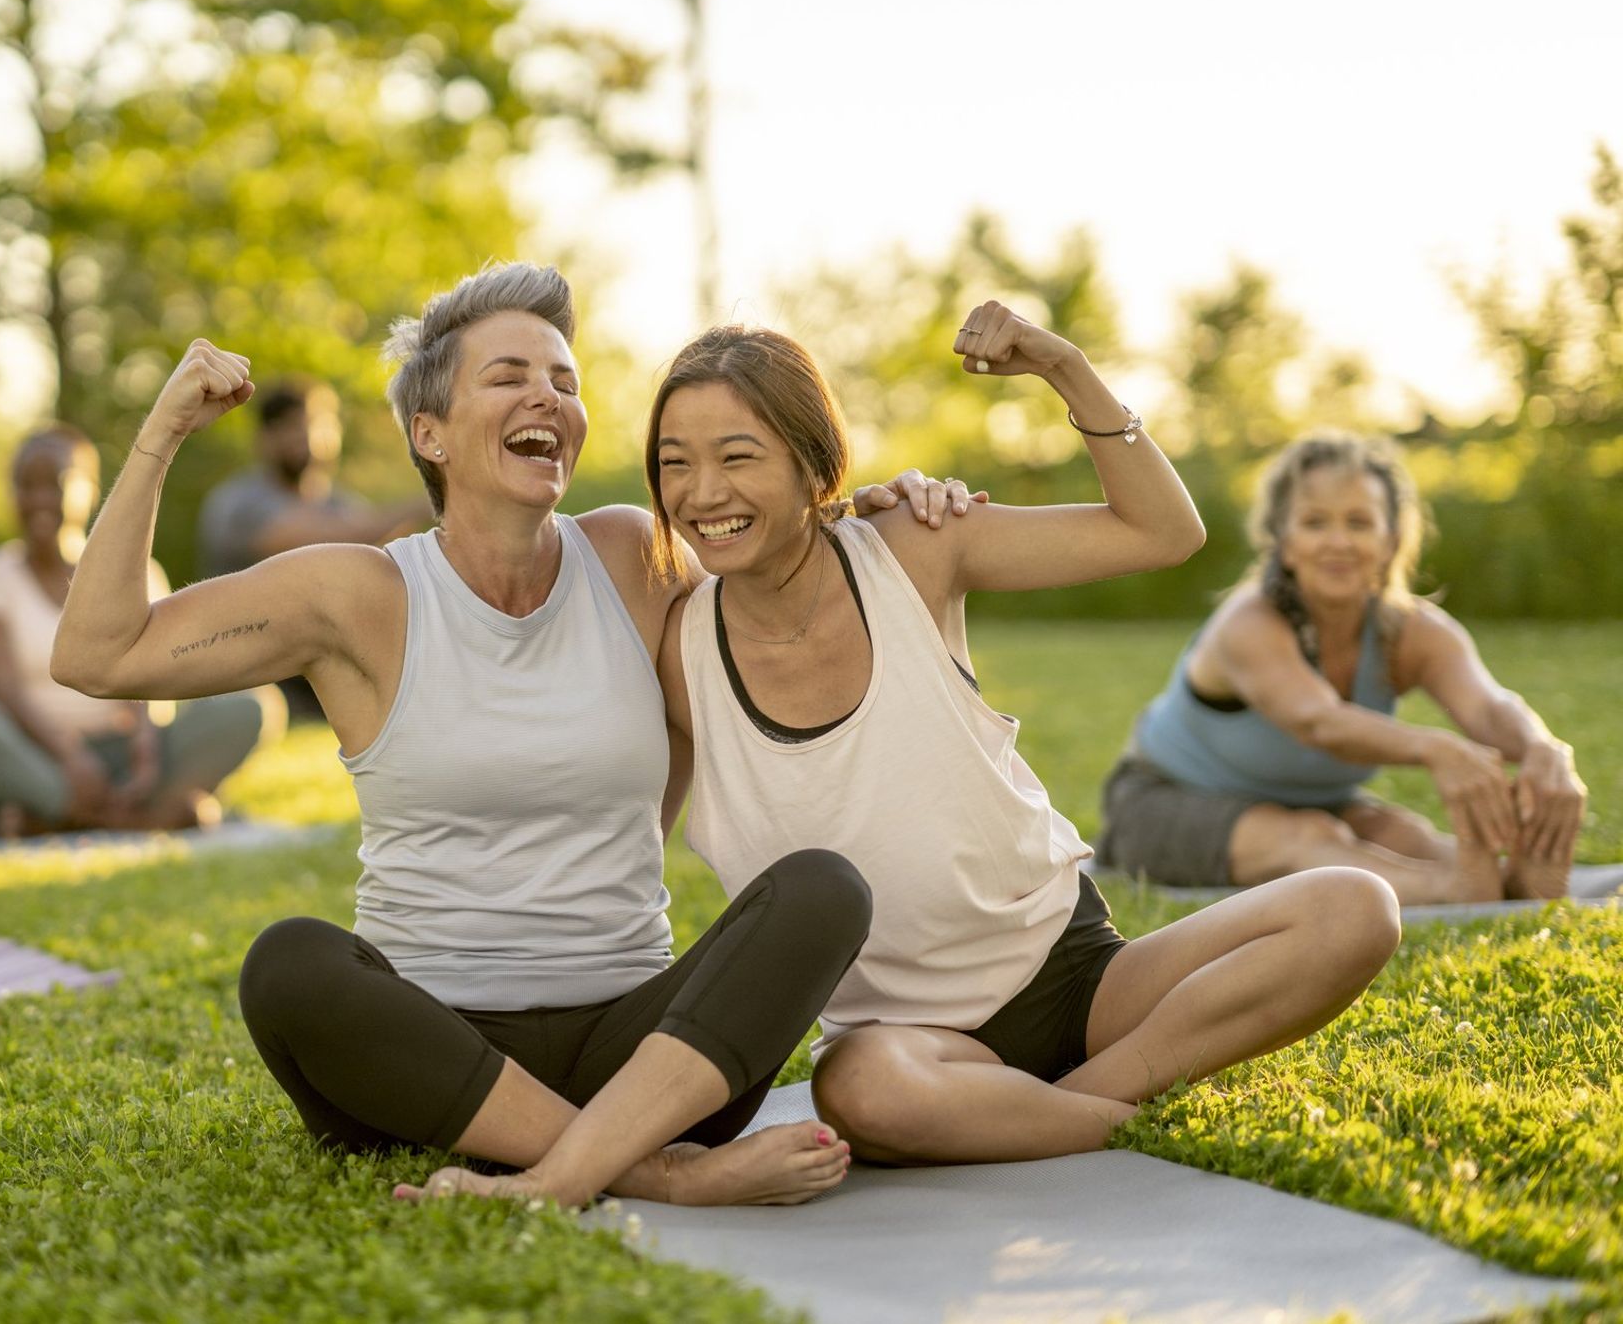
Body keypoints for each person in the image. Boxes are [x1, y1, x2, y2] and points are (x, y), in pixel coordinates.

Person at [50, 262, 969, 1208]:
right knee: (289, 963)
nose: (547, 396)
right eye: (508, 377)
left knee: (823, 890)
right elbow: (98, 653)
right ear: (429, 431)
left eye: (565, 382)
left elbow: (771, 546)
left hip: (638, 1057)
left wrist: (880, 515)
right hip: (424, 1061)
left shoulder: (633, 556)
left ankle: (580, 1160)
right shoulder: (359, 594)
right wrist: (159, 435)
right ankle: (655, 1171)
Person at [648, 306, 1402, 1165]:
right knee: (859, 1092)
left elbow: (1162, 531)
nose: (702, 493)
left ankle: (1064, 1105)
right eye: (676, 464)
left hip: (1081, 979)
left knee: (1355, 907)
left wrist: (1064, 364)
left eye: (737, 456)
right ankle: (1122, 1115)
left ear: (813, 462)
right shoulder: (677, 654)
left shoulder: (914, 549)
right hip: (909, 1043)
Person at [1097, 430, 1587, 904]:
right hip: (1164, 801)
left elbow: (1487, 706)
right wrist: (1436, 748)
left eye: (1358, 522)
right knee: (1313, 837)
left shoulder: (1414, 632)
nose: (1338, 542)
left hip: (1315, 801)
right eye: (1315, 523)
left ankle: (1513, 875)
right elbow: (1319, 721)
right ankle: (1454, 891)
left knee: (1404, 835)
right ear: (1284, 543)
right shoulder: (1249, 622)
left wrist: (1543, 749)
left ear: (1391, 541)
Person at [0, 425, 275, 838]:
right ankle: (131, 816)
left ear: (88, 490)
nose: (37, 499)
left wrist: (146, 747)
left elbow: (152, 677)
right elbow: (0, 686)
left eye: (52, 484)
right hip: (28, 757)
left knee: (252, 706)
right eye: (24, 485)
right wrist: (68, 755)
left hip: (119, 756)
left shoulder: (136, 572)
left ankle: (59, 821)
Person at [197, 377, 426, 717]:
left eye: (314, 424)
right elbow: (320, 536)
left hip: (326, 666)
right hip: (250, 668)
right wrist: (434, 499)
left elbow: (388, 567)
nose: (303, 437)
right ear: (264, 439)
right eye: (288, 427)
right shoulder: (237, 503)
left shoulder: (346, 506)